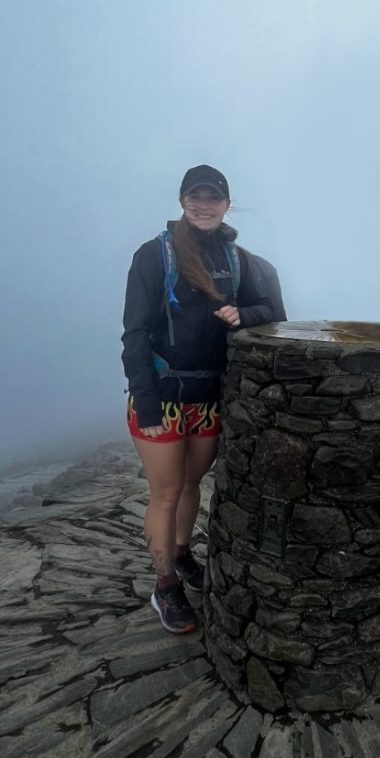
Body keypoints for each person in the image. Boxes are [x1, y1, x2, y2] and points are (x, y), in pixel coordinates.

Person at [122, 164, 274, 634]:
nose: (204, 205)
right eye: (196, 197)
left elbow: (275, 313)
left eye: (214, 198)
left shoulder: (239, 260)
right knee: (166, 492)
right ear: (182, 201)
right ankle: (165, 585)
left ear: (227, 204)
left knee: (191, 486)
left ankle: (183, 555)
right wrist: (145, 403)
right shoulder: (154, 255)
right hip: (162, 398)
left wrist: (243, 312)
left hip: (208, 399)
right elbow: (135, 333)